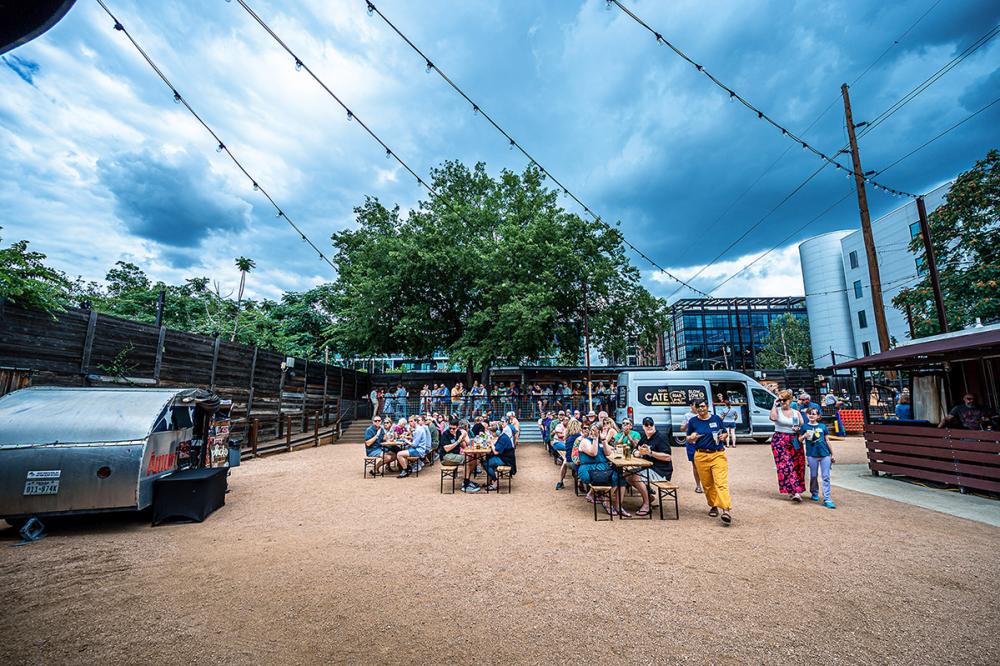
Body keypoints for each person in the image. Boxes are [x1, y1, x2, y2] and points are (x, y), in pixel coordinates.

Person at [685, 399, 732, 525]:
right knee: (707, 484)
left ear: (707, 406)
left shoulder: (716, 419)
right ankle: (713, 505)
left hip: (717, 454)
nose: (700, 409)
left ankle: (725, 510)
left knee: (721, 482)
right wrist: (692, 438)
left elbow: (725, 432)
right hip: (701, 455)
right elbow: (688, 438)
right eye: (697, 407)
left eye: (702, 406)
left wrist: (724, 436)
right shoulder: (693, 421)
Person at [577, 423, 626, 516]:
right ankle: (606, 501)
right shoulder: (584, 441)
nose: (594, 432)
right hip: (589, 469)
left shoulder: (601, 441)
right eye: (593, 429)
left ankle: (618, 505)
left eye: (597, 430)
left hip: (603, 469)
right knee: (610, 479)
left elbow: (608, 453)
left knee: (620, 478)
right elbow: (593, 453)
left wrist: (603, 439)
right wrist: (595, 438)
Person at [769, 390, 806, 502]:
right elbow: (773, 418)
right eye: (780, 400)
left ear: (790, 400)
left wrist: (798, 429)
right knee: (786, 465)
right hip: (780, 439)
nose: (782, 402)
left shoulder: (796, 412)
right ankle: (796, 491)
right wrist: (774, 404)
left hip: (794, 439)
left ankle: (792, 490)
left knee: (797, 465)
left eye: (784, 400)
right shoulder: (777, 410)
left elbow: (802, 425)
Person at [612, 419, 650, 516]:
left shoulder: (636, 434)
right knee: (625, 475)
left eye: (628, 424)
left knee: (631, 474)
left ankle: (648, 493)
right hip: (622, 460)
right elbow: (615, 445)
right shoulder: (618, 435)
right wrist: (623, 436)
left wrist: (629, 436)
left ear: (631, 426)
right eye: (624, 424)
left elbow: (637, 445)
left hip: (635, 459)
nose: (625, 425)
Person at [799, 407, 835, 509]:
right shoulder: (804, 427)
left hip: (825, 454)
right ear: (807, 415)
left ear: (818, 416)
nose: (811, 415)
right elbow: (800, 440)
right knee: (813, 475)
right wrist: (804, 435)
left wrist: (832, 454)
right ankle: (814, 492)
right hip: (812, 455)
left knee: (826, 476)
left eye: (814, 414)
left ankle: (827, 499)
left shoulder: (823, 426)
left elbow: (827, 440)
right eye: (809, 413)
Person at [637, 417, 672, 484]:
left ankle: (647, 494)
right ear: (643, 427)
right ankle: (647, 491)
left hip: (660, 471)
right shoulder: (644, 437)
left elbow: (668, 457)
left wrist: (650, 452)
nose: (649, 426)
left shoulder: (661, 437)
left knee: (635, 477)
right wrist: (637, 452)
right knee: (627, 475)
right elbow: (636, 448)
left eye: (651, 424)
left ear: (654, 425)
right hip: (647, 469)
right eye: (646, 425)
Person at [678, 400, 703, 493]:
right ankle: (698, 485)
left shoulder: (704, 414)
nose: (697, 408)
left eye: (699, 405)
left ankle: (706, 484)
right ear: (691, 406)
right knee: (695, 464)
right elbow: (681, 429)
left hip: (702, 441)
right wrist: (689, 423)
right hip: (692, 443)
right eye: (695, 405)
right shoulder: (687, 416)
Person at [485, 422, 516, 492]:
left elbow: (496, 452)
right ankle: (491, 482)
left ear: (498, 432)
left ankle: (495, 482)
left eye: (492, 432)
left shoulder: (503, 438)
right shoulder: (502, 436)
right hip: (504, 457)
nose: (492, 434)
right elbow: (497, 448)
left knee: (486, 464)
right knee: (488, 459)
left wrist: (491, 443)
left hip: (506, 460)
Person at [554, 418, 578, 490]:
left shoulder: (567, 437)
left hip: (568, 461)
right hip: (576, 461)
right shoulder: (580, 436)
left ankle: (561, 482)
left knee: (564, 462)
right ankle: (581, 484)